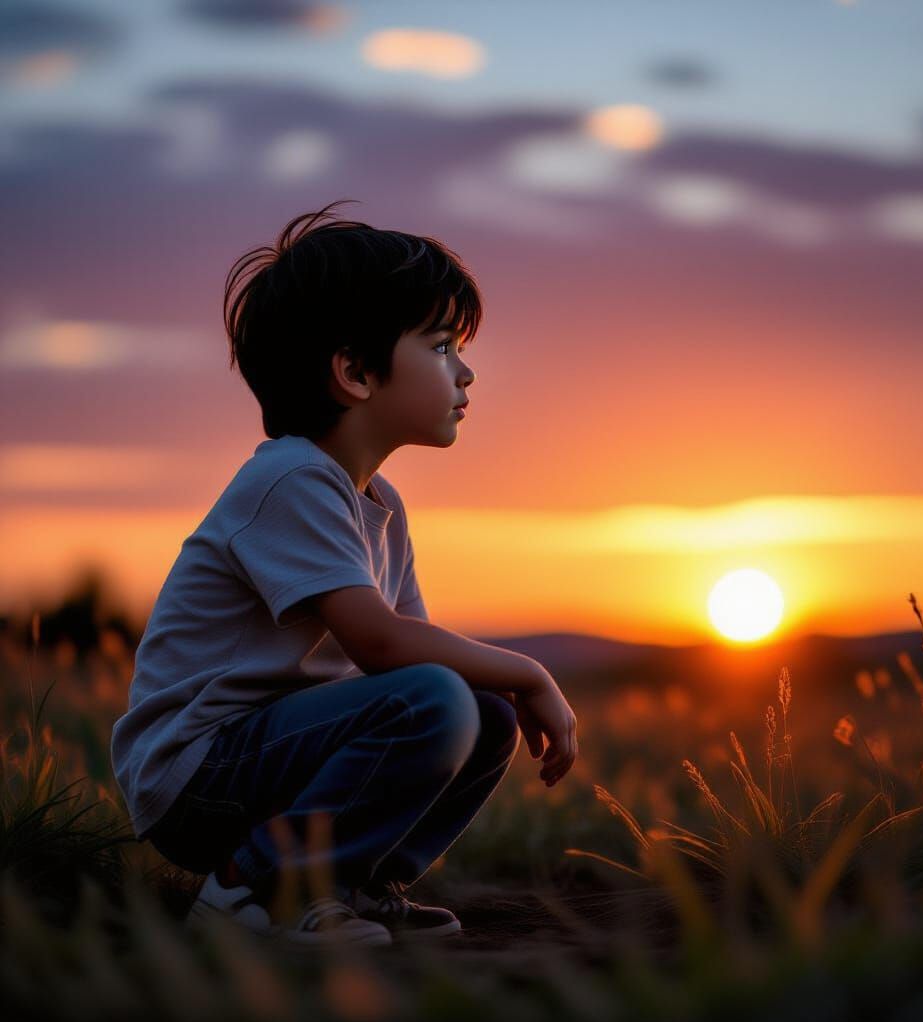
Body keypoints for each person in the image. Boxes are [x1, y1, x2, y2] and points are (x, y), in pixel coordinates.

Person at [109, 200, 579, 949]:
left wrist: (505, 684)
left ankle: (353, 886)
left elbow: (412, 640)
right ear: (356, 372)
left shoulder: (377, 503)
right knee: (436, 698)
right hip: (198, 776)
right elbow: (385, 647)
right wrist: (532, 671)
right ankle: (252, 887)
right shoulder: (292, 480)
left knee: (478, 707)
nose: (467, 370)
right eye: (440, 346)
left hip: (275, 760)